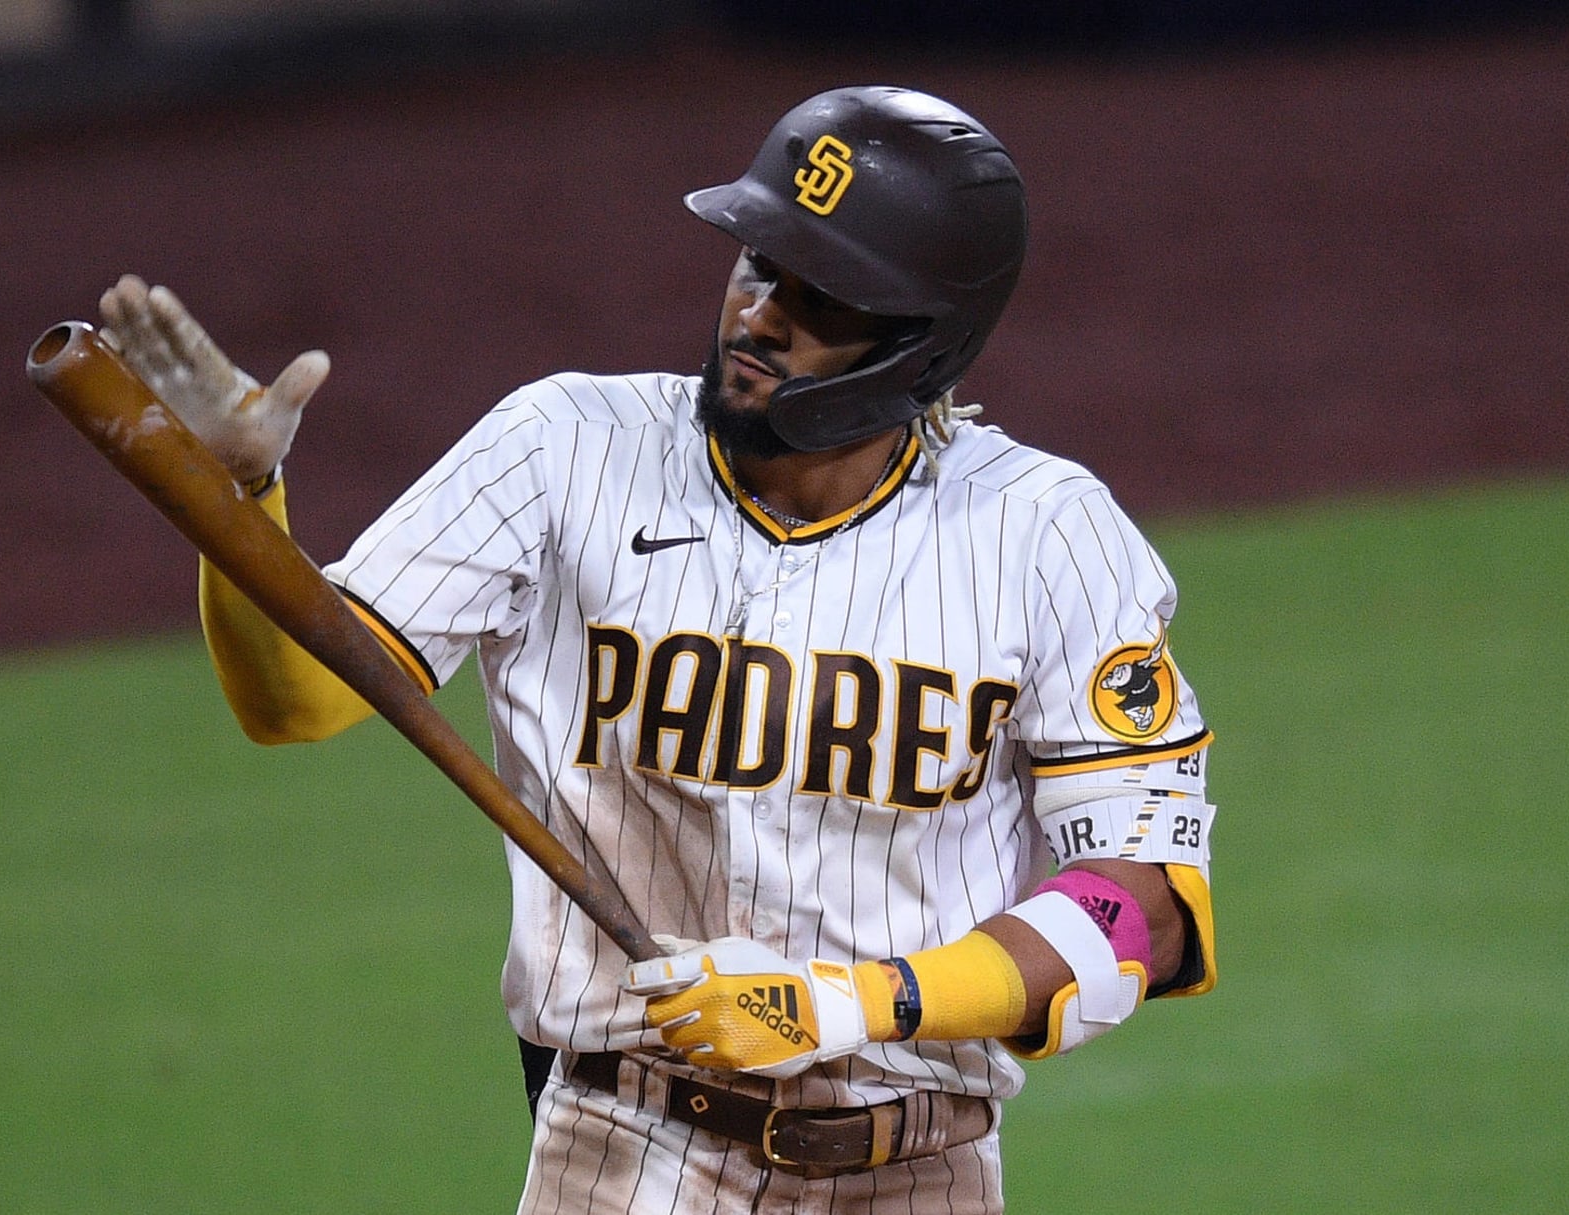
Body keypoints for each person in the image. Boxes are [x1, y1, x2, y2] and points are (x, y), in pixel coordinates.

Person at [95, 84, 1218, 1213]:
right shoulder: (562, 449)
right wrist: (233, 501)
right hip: (628, 1156)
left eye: (818, 296)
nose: (757, 315)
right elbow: (297, 699)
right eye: (756, 264)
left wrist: (841, 1005)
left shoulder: (1048, 536)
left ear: (925, 339)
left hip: (924, 1172)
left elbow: (1140, 917)